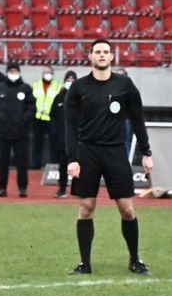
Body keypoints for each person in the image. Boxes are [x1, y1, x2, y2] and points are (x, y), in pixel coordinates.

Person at [61, 39, 152, 275]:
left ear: (112, 57)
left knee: (127, 209)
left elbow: (137, 119)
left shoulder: (125, 85)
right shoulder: (79, 88)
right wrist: (72, 158)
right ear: (90, 56)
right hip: (87, 152)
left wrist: (146, 152)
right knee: (86, 208)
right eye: (97, 52)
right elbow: (69, 126)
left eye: (106, 52)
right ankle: (85, 264)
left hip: (115, 152)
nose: (102, 55)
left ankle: (135, 260)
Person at [0, 61, 36, 197]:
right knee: (2, 162)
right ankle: (1, 188)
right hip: (2, 132)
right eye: (11, 71)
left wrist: (23, 119)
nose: (13, 74)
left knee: (22, 162)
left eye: (15, 71)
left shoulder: (26, 88)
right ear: (7, 72)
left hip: (21, 133)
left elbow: (32, 108)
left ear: (19, 72)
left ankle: (22, 188)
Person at [29, 64, 65, 172]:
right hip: (38, 118)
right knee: (37, 142)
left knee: (54, 143)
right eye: (45, 73)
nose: (47, 75)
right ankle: (36, 164)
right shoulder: (35, 86)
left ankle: (54, 164)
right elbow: (32, 101)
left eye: (49, 73)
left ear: (53, 75)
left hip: (51, 118)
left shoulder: (58, 87)